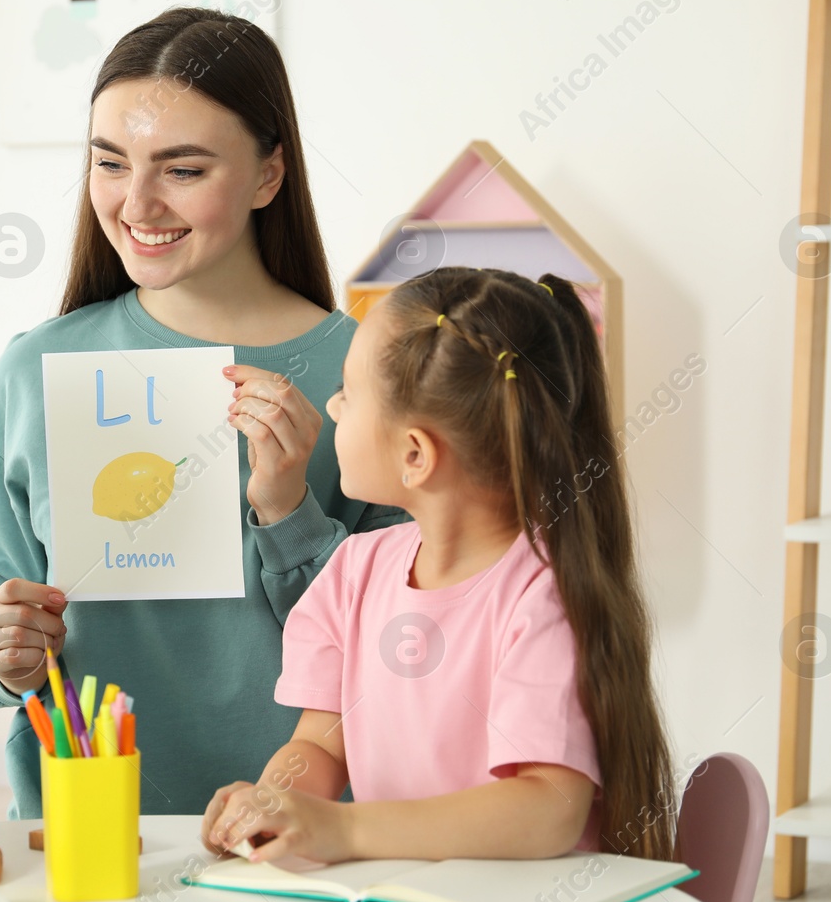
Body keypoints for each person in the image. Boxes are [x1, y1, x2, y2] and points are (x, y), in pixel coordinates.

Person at [0, 7, 404, 817]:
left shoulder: (368, 374)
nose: (137, 203)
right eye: (111, 163)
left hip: (305, 832)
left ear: (268, 175)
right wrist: (0, 652)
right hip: (86, 832)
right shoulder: (32, 372)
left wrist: (290, 510)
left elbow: (397, 648)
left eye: (183, 170)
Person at [202, 267, 676, 863]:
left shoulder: (542, 596)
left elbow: (549, 808)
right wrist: (274, 804)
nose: (333, 403)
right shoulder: (353, 572)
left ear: (415, 455)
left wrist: (344, 831)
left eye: (349, 392)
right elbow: (320, 747)